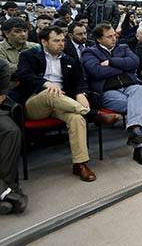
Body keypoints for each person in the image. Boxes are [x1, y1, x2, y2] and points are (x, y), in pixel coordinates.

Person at [9, 26, 112, 182]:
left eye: (63, 40)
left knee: (76, 118)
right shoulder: (29, 56)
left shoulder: (69, 59)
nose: (61, 44)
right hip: (35, 103)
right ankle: (93, 114)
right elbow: (23, 75)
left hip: (62, 104)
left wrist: (80, 93)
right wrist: (45, 83)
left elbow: (80, 81)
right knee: (50, 92)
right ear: (44, 42)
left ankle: (80, 164)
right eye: (56, 41)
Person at [81, 23, 142, 166]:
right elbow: (96, 72)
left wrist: (111, 62)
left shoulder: (123, 47)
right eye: (109, 37)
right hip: (107, 91)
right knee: (137, 106)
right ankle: (140, 148)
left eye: (115, 35)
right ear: (99, 39)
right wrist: (123, 68)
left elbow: (135, 62)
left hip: (129, 86)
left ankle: (135, 130)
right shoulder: (89, 52)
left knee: (139, 90)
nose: (114, 39)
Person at [0, 58, 28, 215]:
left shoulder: (1, 65)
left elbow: (1, 97)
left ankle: (7, 187)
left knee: (11, 131)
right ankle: (6, 192)